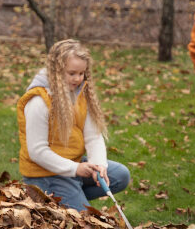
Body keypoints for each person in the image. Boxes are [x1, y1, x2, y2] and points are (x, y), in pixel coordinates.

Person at [17, 39, 130, 211]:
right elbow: (37, 151)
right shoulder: (39, 101)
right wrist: (75, 168)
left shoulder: (79, 94)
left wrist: (98, 166)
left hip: (74, 166)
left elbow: (93, 136)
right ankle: (52, 197)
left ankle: (71, 197)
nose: (78, 79)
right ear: (56, 71)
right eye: (72, 73)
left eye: (81, 73)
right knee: (84, 222)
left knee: (120, 175)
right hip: (45, 174)